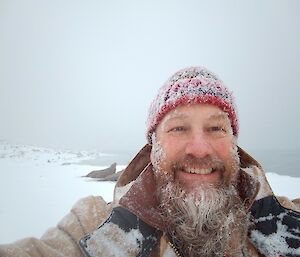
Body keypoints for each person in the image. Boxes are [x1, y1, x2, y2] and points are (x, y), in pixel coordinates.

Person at [1, 66, 300, 257]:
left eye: (216, 128)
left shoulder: (288, 222)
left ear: (234, 142)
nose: (199, 148)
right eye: (178, 128)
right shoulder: (93, 227)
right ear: (153, 145)